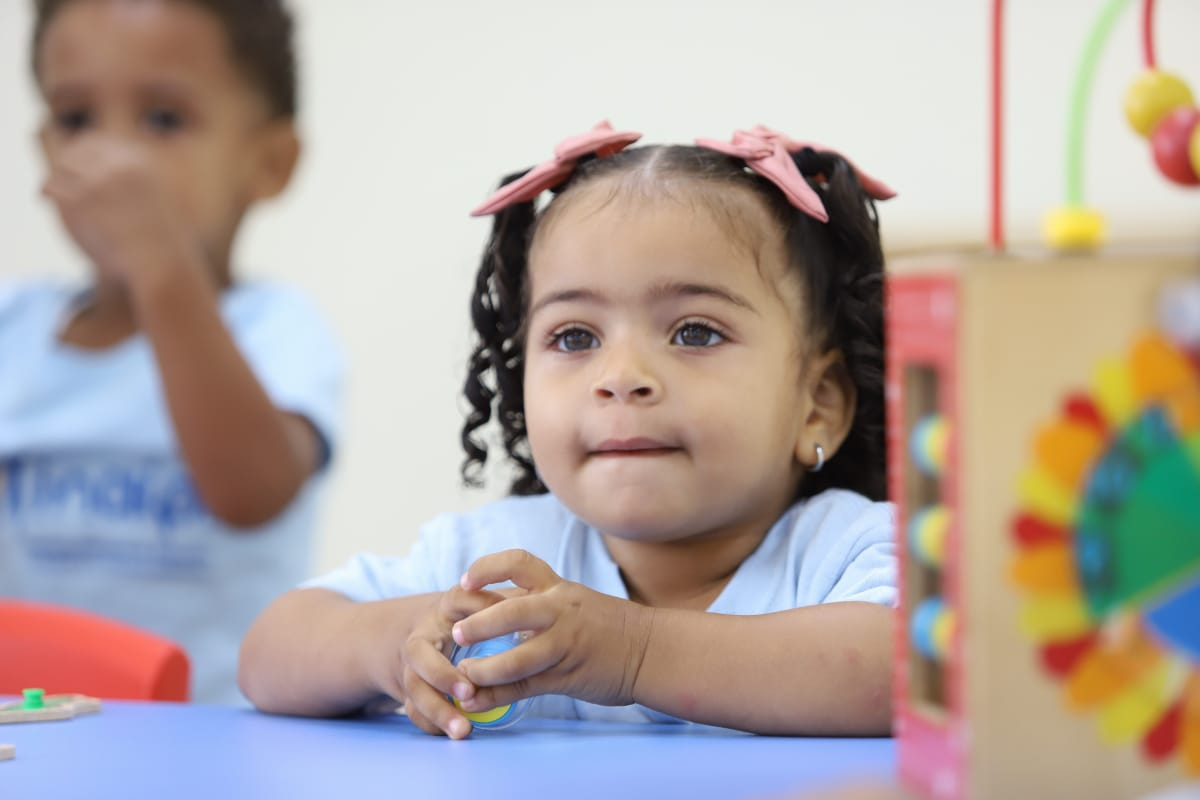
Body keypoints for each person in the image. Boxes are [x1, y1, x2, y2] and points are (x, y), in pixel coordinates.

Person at [239, 122, 896, 736]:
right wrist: (391, 643)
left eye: (694, 332)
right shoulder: (488, 565)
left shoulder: (849, 551)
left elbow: (910, 670)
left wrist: (633, 651)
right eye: (575, 336)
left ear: (819, 404)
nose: (621, 375)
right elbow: (269, 652)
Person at [0, 0, 343, 705]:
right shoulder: (12, 328)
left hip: (215, 741)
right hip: (30, 733)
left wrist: (161, 264)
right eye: (76, 120)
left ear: (269, 163)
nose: (113, 158)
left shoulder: (276, 330)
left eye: (162, 119)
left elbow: (251, 494)